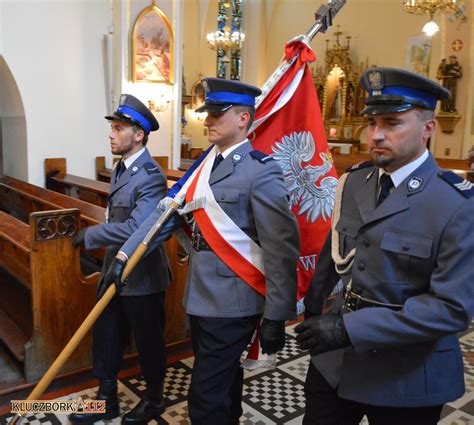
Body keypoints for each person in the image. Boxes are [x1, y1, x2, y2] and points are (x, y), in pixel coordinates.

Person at [104, 78, 301, 424]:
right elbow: (162, 216)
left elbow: (280, 246)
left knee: (205, 399)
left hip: (236, 297)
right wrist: (125, 256)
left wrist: (276, 314)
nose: (206, 120)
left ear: (243, 119)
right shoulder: (202, 167)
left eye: (216, 114)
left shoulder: (261, 170)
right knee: (225, 382)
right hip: (201, 294)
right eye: (206, 113)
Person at [295, 67, 474, 425]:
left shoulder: (456, 204)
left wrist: (349, 329)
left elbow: (452, 309)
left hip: (406, 374)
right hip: (337, 364)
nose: (376, 135)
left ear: (428, 129)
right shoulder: (356, 182)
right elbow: (340, 252)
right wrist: (314, 307)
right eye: (372, 122)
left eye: (392, 123)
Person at [69, 94, 170, 424]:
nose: (111, 134)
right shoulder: (121, 168)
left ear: (138, 134)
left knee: (148, 342)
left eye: (118, 128)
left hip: (142, 276)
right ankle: (105, 402)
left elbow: (137, 227)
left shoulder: (150, 175)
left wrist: (91, 237)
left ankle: (154, 399)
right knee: (107, 337)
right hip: (115, 268)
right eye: (112, 128)